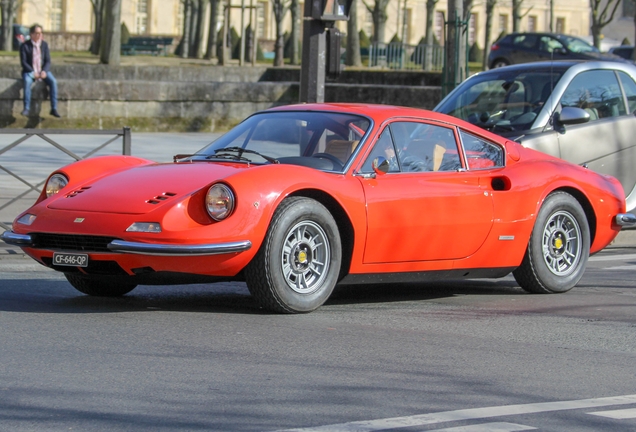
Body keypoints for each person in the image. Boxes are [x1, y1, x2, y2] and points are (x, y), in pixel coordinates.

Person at [19, 24, 60, 118]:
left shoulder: (44, 45)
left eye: (40, 33)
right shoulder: (25, 46)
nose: (39, 35)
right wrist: (33, 73)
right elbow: (24, 62)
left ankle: (54, 108)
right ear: (31, 34)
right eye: (37, 33)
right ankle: (26, 108)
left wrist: (44, 71)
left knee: (53, 81)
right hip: (30, 71)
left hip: (42, 71)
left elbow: (48, 60)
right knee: (26, 81)